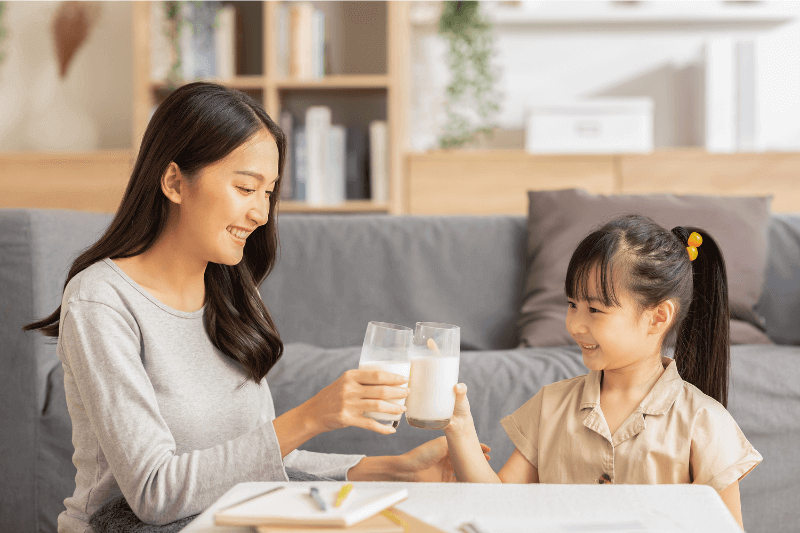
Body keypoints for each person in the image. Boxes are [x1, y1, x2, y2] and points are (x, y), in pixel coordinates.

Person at [24, 82, 473, 532]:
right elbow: (155, 493)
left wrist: (393, 469)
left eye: (269, 193)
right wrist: (312, 415)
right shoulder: (102, 299)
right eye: (246, 187)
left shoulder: (231, 294)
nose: (261, 213)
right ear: (175, 182)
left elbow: (255, 458)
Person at [442, 214, 762, 529]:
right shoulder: (550, 406)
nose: (575, 325)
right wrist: (459, 427)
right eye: (572, 305)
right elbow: (495, 506)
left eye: (595, 310)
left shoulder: (704, 421)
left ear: (658, 317)